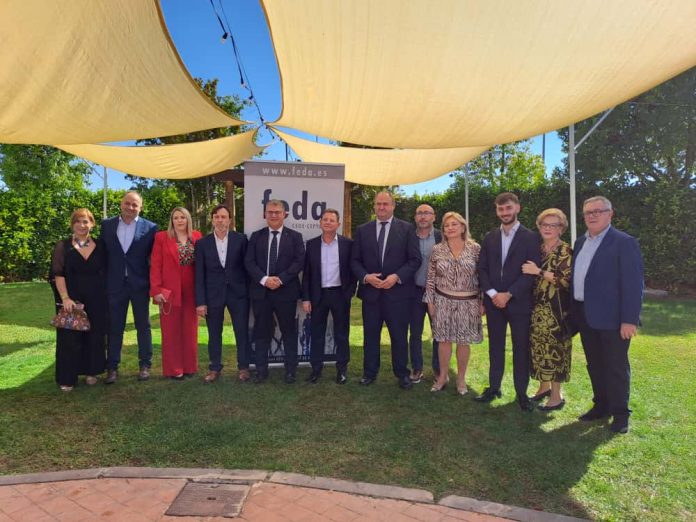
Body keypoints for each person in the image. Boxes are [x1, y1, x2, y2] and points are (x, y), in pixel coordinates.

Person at [571, 196, 643, 434]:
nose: (592, 215)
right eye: (588, 212)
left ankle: (621, 415)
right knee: (595, 364)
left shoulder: (624, 242)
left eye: (598, 211)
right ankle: (601, 405)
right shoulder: (580, 242)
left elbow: (633, 284)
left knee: (616, 366)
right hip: (585, 315)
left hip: (613, 319)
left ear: (610, 214)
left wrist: (629, 319)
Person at [351, 191, 421, 390]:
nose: (381, 207)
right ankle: (369, 373)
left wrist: (396, 277)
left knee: (399, 337)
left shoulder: (407, 229)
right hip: (371, 295)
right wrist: (366, 277)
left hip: (398, 295)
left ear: (393, 206)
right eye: (378, 204)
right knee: (370, 336)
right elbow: (354, 260)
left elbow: (415, 259)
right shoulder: (363, 230)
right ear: (374, 206)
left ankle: (402, 373)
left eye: (385, 204)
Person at [477, 192, 541, 411]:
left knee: (521, 348)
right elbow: (482, 269)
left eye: (508, 208)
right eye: (500, 209)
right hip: (494, 302)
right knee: (495, 347)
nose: (504, 213)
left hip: (519, 302)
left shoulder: (531, 237)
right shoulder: (489, 237)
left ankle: (521, 394)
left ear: (517, 208)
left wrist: (509, 294)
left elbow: (530, 272)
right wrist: (493, 294)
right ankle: (494, 388)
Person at [245, 199, 305, 384]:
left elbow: (299, 262)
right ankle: (261, 371)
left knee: (289, 332)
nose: (273, 215)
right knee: (261, 333)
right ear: (265, 214)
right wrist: (264, 280)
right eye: (270, 212)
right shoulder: (256, 236)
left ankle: (290, 371)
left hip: (286, 292)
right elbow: (249, 262)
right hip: (261, 293)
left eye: (277, 212)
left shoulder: (295, 237)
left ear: (284, 214)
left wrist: (280, 279)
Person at [101, 191, 157, 384]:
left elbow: (154, 259)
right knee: (115, 327)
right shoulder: (107, 225)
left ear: (140, 207)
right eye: (127, 203)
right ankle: (112, 368)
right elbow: (103, 255)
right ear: (121, 203)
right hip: (115, 284)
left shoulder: (150, 228)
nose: (130, 207)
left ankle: (145, 365)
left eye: (135, 205)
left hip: (139, 284)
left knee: (143, 326)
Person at [424, 212, 483, 395]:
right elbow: (431, 277)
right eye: (446, 225)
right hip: (443, 301)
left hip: (468, 303)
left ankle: (461, 379)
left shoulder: (475, 249)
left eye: (454, 224)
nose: (450, 228)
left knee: (464, 342)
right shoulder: (437, 250)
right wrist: (430, 302)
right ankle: (442, 376)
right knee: (444, 340)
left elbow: (482, 276)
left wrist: (483, 301)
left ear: (463, 227)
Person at [49, 208, 107, 391]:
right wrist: (65, 297)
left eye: (85, 221)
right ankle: (67, 378)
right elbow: (58, 274)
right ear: (72, 224)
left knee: (94, 336)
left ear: (92, 224)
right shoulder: (63, 246)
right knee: (70, 338)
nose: (82, 225)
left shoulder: (101, 245)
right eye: (78, 221)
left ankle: (92, 371)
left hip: (97, 298)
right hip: (72, 299)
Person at [521, 208, 573, 411]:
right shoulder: (537, 248)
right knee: (538, 348)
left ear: (561, 228)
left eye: (553, 225)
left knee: (556, 350)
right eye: (544, 224)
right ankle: (543, 388)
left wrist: (539, 271)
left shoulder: (565, 250)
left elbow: (566, 281)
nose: (548, 228)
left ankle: (556, 396)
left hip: (556, 311)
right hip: (535, 308)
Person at [195, 205, 251, 383]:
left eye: (224, 217)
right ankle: (214, 368)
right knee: (214, 333)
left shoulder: (241, 240)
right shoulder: (202, 244)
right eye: (217, 217)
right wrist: (200, 302)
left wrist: (249, 293)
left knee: (241, 331)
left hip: (238, 294)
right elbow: (199, 275)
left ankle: (243, 367)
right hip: (213, 295)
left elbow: (248, 268)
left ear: (229, 220)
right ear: (212, 220)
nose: (220, 220)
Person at [302, 209, 356, 384]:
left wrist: (349, 293)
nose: (327, 222)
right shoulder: (311, 244)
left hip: (340, 294)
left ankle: (342, 370)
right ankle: (316, 370)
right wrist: (306, 298)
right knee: (317, 333)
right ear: (320, 223)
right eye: (325, 219)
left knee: (341, 334)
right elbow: (307, 274)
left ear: (338, 224)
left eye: (332, 220)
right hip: (318, 295)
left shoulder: (348, 244)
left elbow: (353, 270)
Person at [150, 207, 202, 379]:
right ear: (172, 221)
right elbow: (156, 265)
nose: (179, 221)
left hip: (191, 290)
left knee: (190, 329)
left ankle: (189, 367)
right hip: (169, 290)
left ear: (188, 220)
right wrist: (156, 290)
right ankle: (174, 370)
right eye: (176, 218)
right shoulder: (161, 237)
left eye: (183, 217)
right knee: (171, 331)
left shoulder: (197, 236)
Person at [408, 204, 442, 384]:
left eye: (426, 213)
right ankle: (417, 368)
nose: (423, 216)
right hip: (415, 291)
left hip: (437, 293)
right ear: (415, 217)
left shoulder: (441, 237)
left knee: (438, 332)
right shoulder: (408, 237)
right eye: (419, 213)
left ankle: (438, 369)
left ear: (433, 217)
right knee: (415, 332)